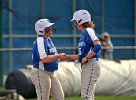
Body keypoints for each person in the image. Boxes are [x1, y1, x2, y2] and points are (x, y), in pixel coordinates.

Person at [66, 10, 101, 100]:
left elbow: (98, 46)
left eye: (75, 21)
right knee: (88, 95)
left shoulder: (89, 31)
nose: (75, 24)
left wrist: (87, 57)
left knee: (86, 96)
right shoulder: (85, 34)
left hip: (91, 64)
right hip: (88, 65)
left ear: (80, 21)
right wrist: (67, 57)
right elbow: (81, 57)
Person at [31, 19, 66, 100]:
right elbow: (44, 59)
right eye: (48, 28)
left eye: (50, 27)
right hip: (41, 72)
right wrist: (58, 56)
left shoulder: (48, 40)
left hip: (50, 72)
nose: (50, 29)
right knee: (43, 98)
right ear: (41, 30)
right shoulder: (40, 41)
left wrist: (59, 57)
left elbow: (52, 56)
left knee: (60, 97)